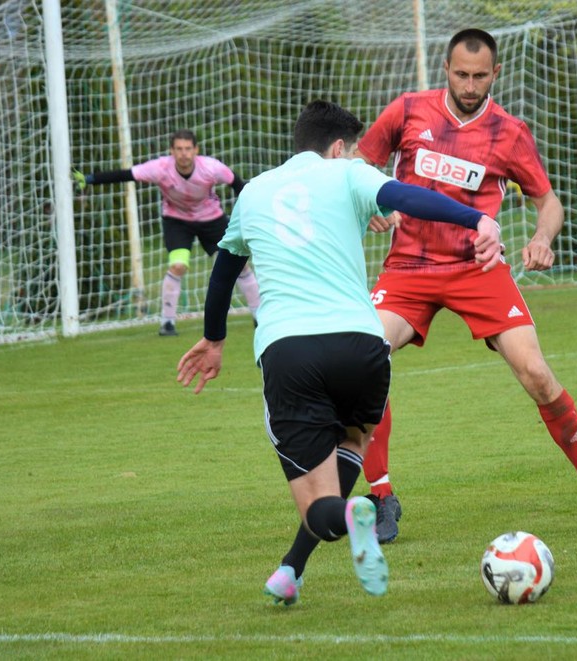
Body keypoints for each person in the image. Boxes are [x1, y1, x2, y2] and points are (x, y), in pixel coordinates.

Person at [176, 100, 502, 606]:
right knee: (350, 444)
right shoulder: (349, 173)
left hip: (290, 351)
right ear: (337, 148)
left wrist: (214, 338)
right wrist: (477, 219)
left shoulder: (255, 191)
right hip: (363, 347)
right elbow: (406, 195)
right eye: (353, 152)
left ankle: (351, 518)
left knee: (319, 508)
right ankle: (291, 570)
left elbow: (224, 270)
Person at [354, 28, 577, 543]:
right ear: (446, 69)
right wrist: (368, 202)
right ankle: (381, 498)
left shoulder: (509, 132)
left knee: (536, 373)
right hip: (409, 268)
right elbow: (358, 164)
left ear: (496, 73)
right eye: (461, 75)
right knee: (364, 359)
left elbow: (547, 202)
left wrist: (542, 237)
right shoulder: (408, 110)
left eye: (480, 76)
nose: (470, 85)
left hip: (478, 268)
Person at [73, 129, 260, 336]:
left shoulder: (211, 167)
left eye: (187, 148)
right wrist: (90, 179)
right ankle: (167, 323)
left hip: (212, 219)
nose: (183, 153)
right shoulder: (160, 168)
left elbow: (238, 185)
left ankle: (260, 316)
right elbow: (127, 174)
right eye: (179, 149)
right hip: (177, 221)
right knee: (178, 266)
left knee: (240, 266)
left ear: (195, 150)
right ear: (172, 151)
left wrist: (251, 212)